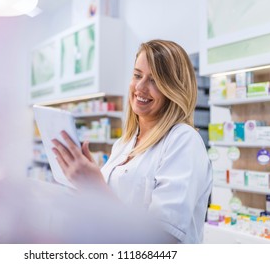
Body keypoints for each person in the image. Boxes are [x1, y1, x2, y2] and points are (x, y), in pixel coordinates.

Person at [51, 39, 213, 243]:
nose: (140, 87)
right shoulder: (123, 144)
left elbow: (163, 240)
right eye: (137, 75)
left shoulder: (183, 140)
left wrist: (96, 188)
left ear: (174, 88)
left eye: (154, 80)